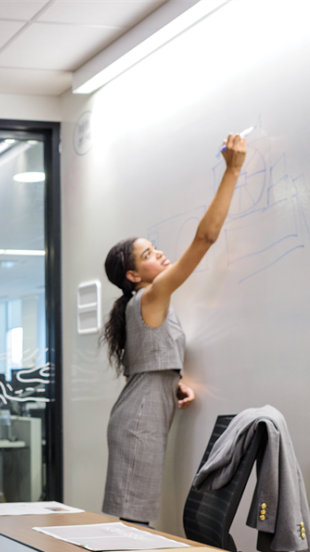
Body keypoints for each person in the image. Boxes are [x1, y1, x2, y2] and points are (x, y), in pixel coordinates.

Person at [101, 134, 247, 526]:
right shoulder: (151, 294)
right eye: (148, 255)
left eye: (154, 248)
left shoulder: (144, 303)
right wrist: (232, 169)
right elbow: (205, 238)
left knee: (133, 517)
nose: (159, 254)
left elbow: (148, 358)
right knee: (131, 520)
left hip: (147, 402)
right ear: (134, 276)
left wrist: (172, 380)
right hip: (141, 414)